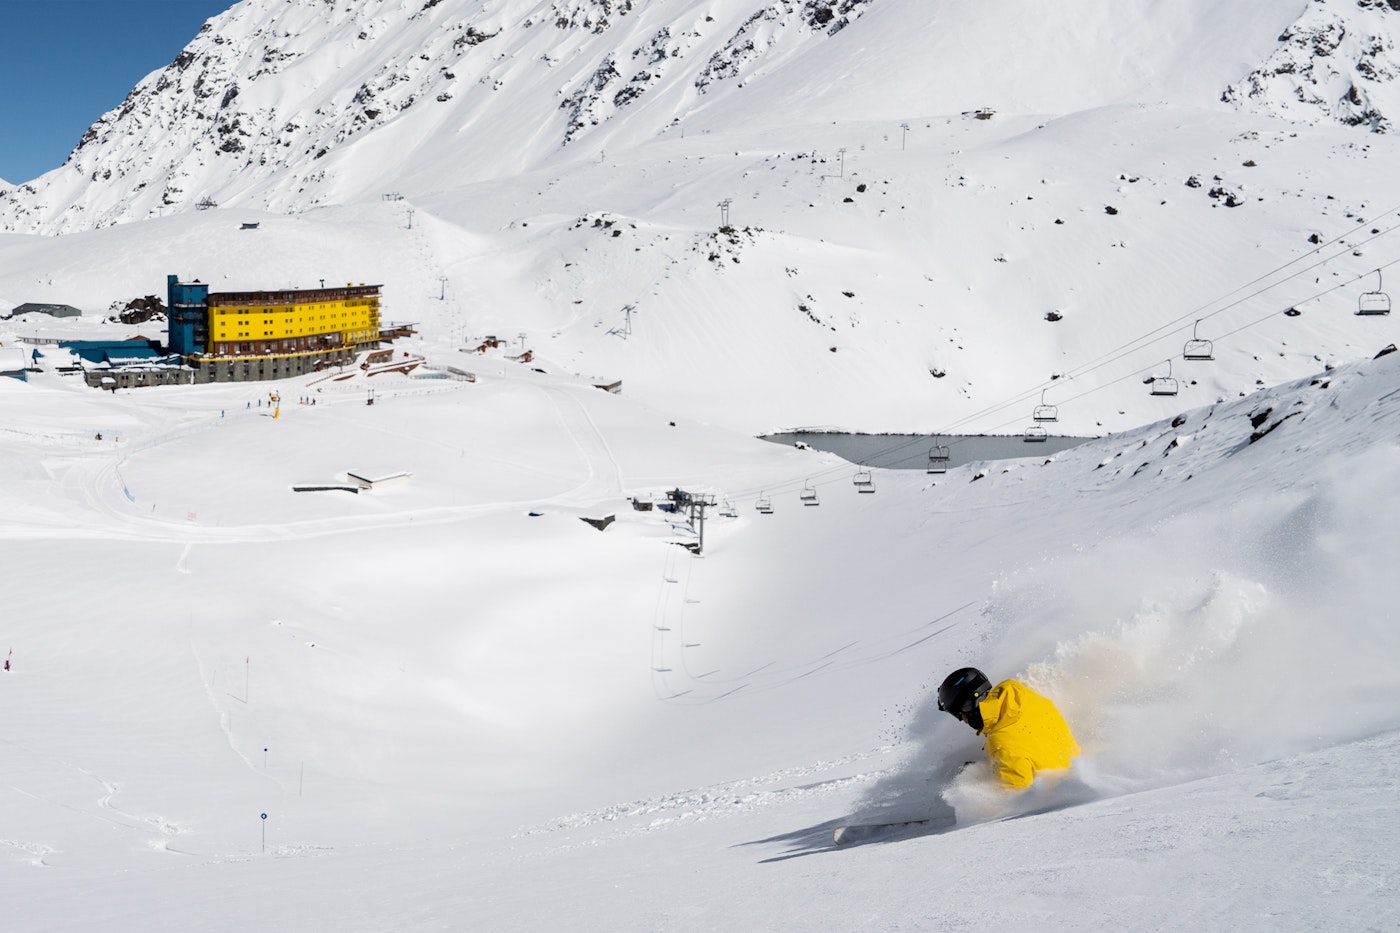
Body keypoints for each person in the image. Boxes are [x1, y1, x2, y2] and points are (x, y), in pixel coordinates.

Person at [937, 667, 1080, 790]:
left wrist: (974, 799)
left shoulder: (1003, 745)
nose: (963, 720)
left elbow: (1014, 798)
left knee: (967, 775)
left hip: (1056, 794)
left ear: (969, 705)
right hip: (1070, 766)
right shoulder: (1018, 693)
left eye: (960, 714)